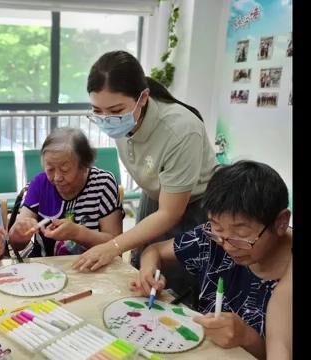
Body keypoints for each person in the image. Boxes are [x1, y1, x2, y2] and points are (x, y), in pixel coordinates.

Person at [72, 50, 217, 307]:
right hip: (156, 197)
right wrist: (119, 246)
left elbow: (171, 213)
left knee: (178, 288)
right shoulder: (123, 121)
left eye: (116, 110)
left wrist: (114, 245)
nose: (106, 120)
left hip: (195, 206)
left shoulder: (181, 130)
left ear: (143, 98)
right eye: (97, 110)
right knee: (144, 275)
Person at [130, 160, 292, 359]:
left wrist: (247, 338)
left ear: (281, 223)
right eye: (218, 227)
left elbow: (280, 350)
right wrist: (148, 272)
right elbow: (153, 251)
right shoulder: (212, 239)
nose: (227, 245)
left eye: (241, 233)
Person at [8, 128, 123, 257]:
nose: (57, 177)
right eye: (50, 169)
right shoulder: (39, 185)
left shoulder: (102, 184)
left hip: (92, 267)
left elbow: (116, 244)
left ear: (84, 165)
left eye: (65, 169)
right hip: (45, 270)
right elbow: (16, 245)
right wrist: (18, 234)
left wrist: (77, 233)